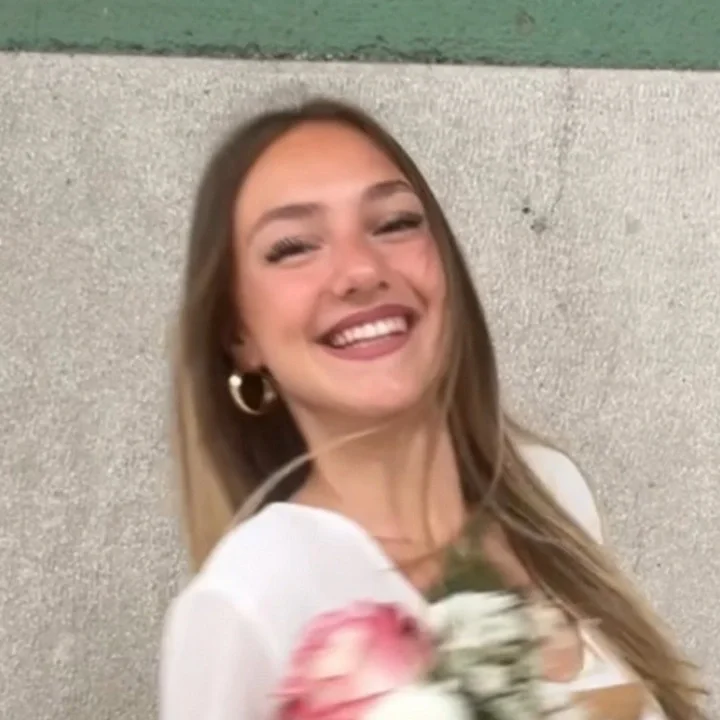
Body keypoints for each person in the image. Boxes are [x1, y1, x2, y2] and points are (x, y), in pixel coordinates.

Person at [159, 98, 704, 720]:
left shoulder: (552, 496)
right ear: (238, 335)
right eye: (293, 247)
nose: (361, 270)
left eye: (394, 223)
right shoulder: (250, 596)